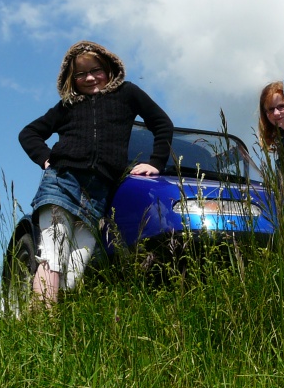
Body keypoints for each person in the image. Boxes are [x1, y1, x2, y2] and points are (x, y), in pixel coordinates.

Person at [19, 40, 173, 306]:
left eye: (96, 70)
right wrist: (46, 159)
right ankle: (42, 327)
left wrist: (156, 162)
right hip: (61, 182)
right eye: (80, 74)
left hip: (97, 194)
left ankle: (52, 326)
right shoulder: (67, 106)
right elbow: (29, 133)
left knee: (74, 271)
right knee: (53, 256)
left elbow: (162, 123)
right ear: (71, 77)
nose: (89, 78)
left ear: (109, 68)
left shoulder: (128, 94)